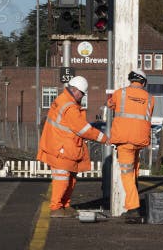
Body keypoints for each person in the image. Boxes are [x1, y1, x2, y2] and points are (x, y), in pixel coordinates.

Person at [37, 76, 109, 218]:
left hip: (63, 147)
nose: (82, 97)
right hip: (62, 149)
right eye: (82, 94)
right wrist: (103, 138)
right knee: (62, 179)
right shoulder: (69, 107)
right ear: (75, 90)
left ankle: (64, 205)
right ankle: (56, 207)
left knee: (69, 178)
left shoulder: (64, 101)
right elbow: (82, 129)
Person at [107, 69, 155, 219]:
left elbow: (110, 104)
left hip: (124, 140)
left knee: (127, 174)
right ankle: (131, 204)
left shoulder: (120, 93)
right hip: (140, 140)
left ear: (130, 79)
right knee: (134, 171)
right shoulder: (150, 98)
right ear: (143, 82)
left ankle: (134, 207)